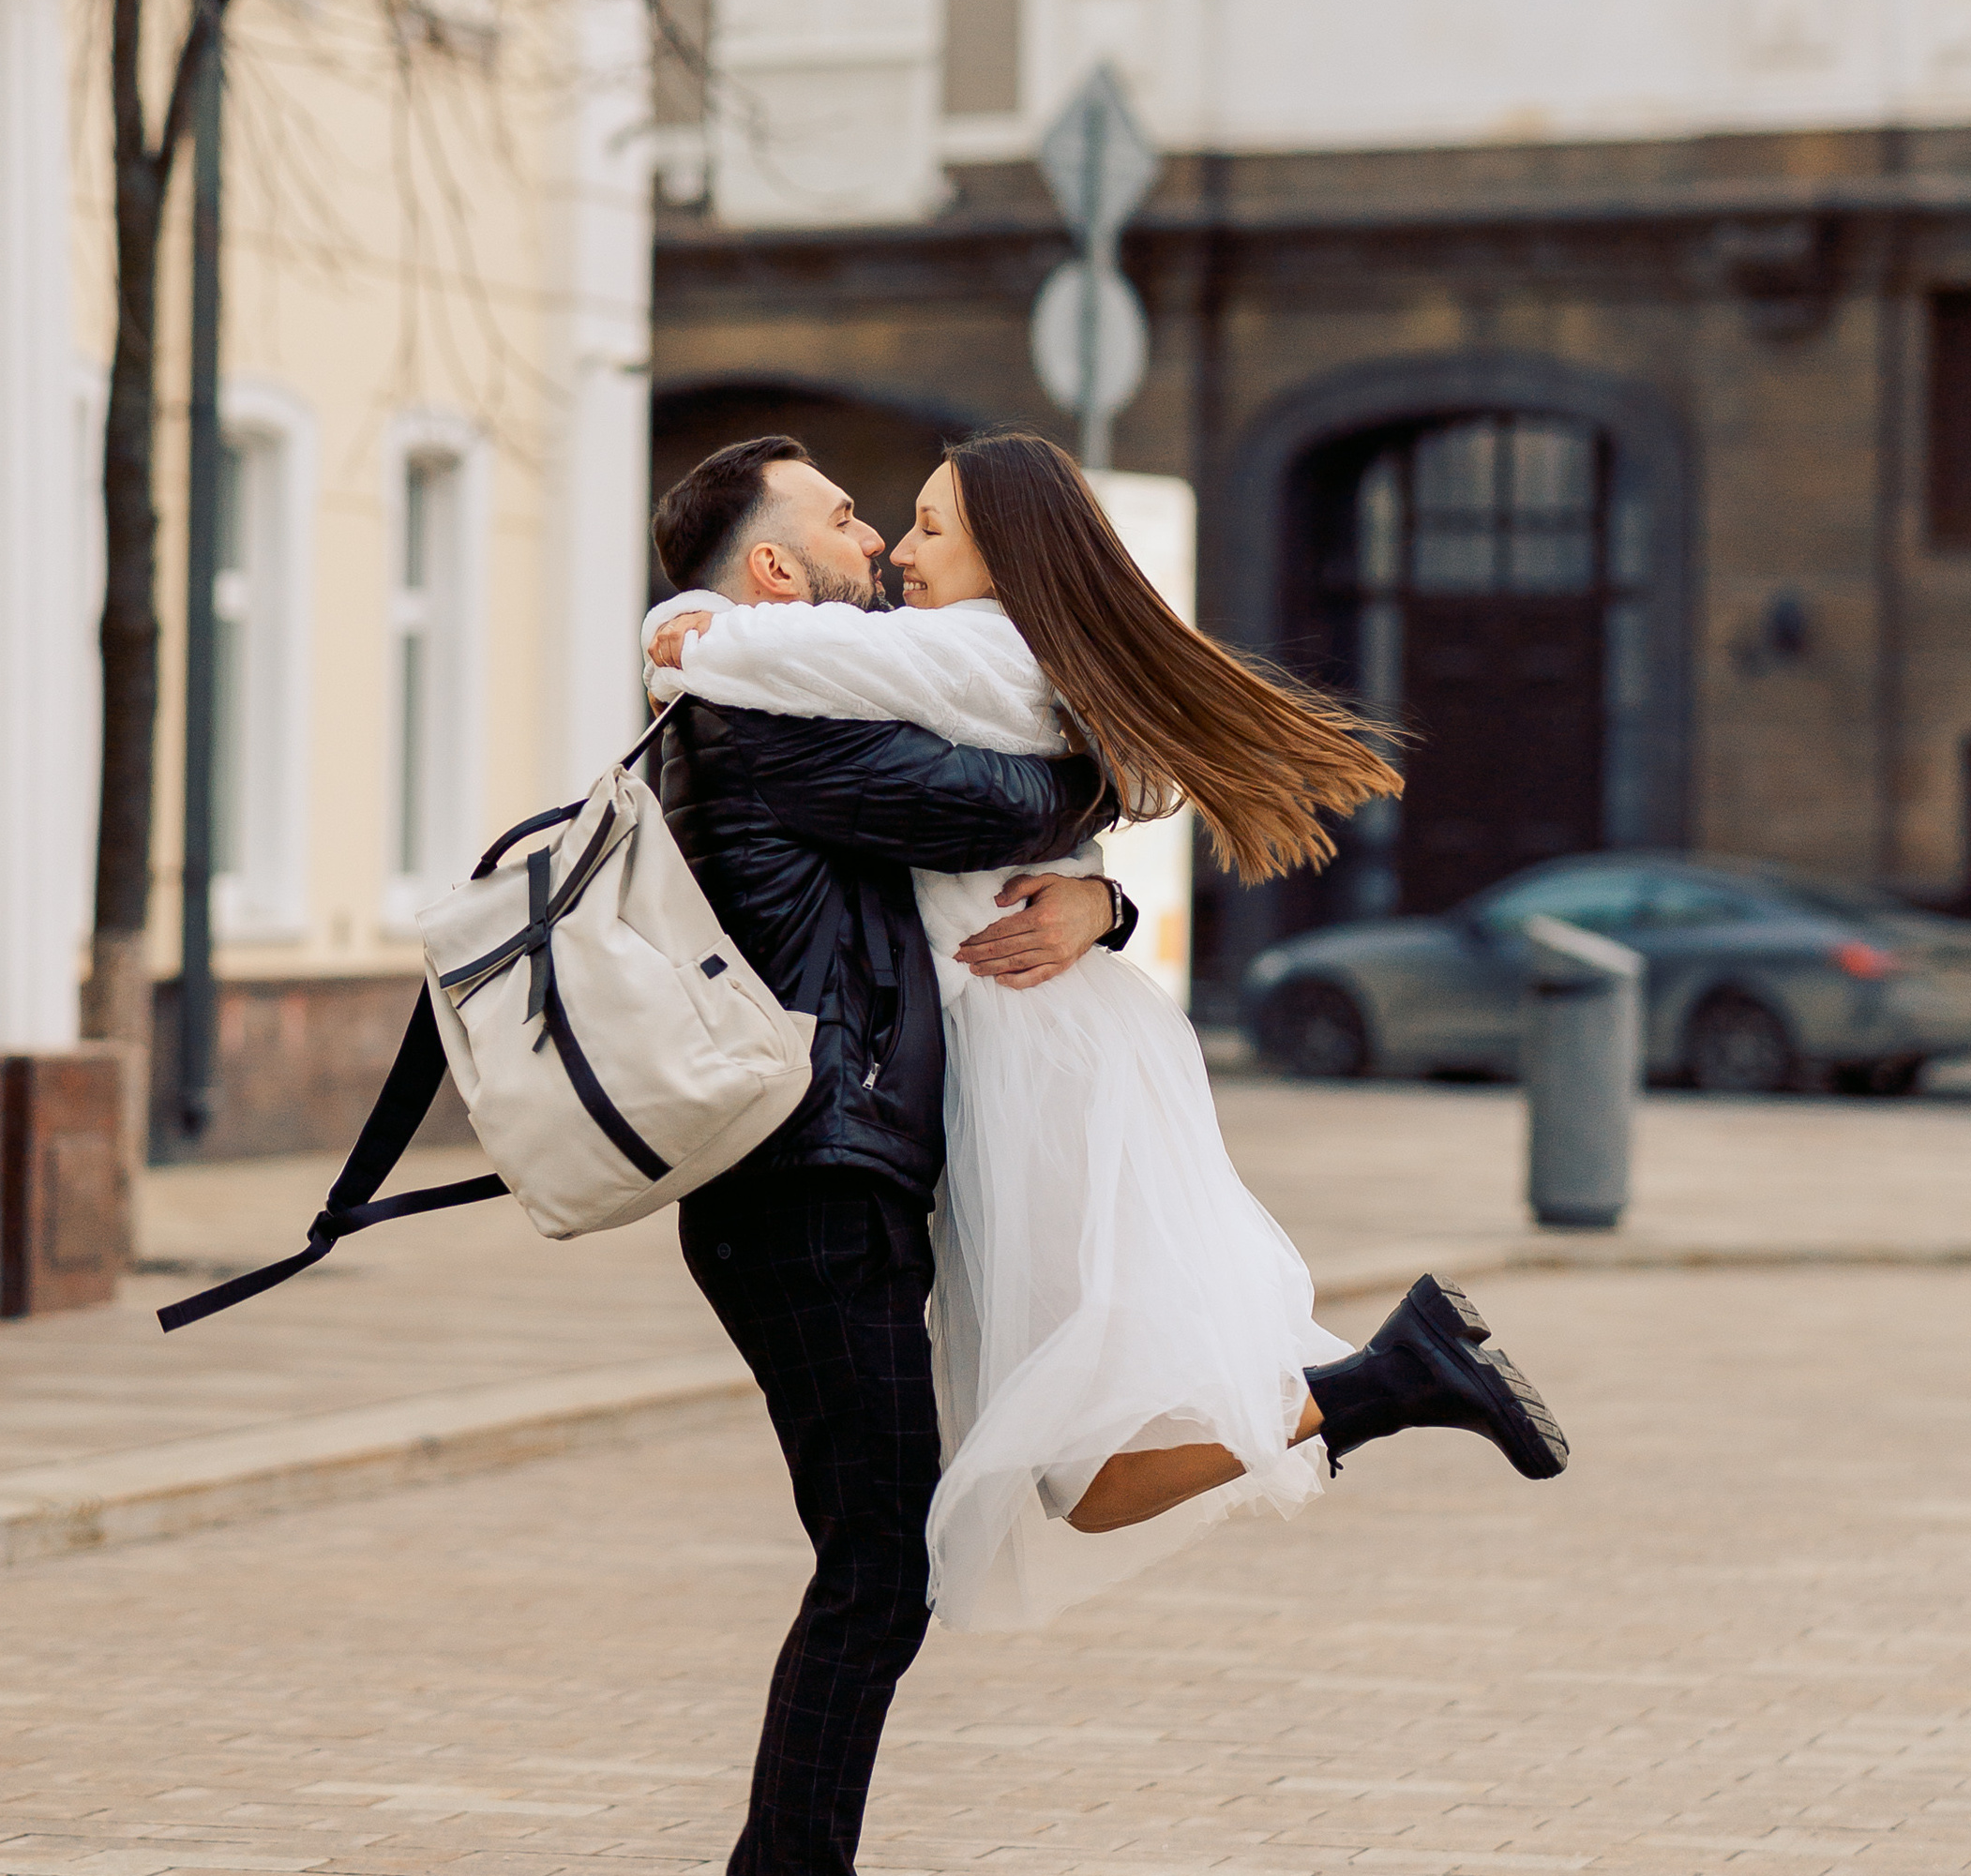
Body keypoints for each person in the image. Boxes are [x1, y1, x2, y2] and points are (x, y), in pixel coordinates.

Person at [648, 432, 1569, 1641]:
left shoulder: (972, 648)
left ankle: (1395, 1378)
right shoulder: (984, 663)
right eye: (887, 520)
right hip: (1035, 1050)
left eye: (928, 524)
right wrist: (1101, 886)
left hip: (1040, 1062)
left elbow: (796, 655)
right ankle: (1393, 1379)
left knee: (1072, 1466)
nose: (896, 545)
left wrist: (685, 629)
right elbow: (1032, 787)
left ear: (1007, 551)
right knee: (1077, 1478)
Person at [647, 432, 1135, 1876]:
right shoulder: (758, 716)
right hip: (808, 1182)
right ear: (772, 575)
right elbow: (1021, 795)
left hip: (825, 1177)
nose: (875, 536)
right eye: (846, 518)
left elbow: (1002, 841)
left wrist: (1101, 903)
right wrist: (1112, 777)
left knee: (873, 1555)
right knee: (879, 1561)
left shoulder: (801, 699)